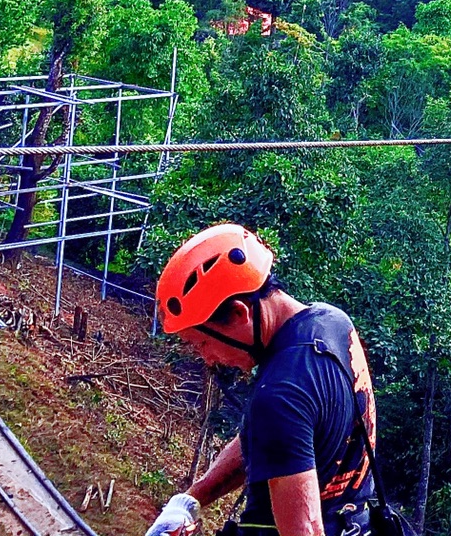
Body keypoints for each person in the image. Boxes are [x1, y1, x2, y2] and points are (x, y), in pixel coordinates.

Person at [144, 224, 382, 536]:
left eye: (202, 343)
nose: (208, 358)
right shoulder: (333, 323)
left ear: (240, 314)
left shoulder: (280, 395)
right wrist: (190, 500)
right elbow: (274, 440)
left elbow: (306, 528)